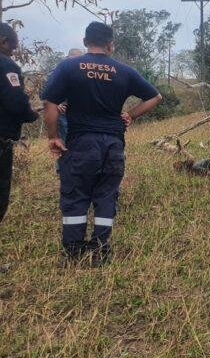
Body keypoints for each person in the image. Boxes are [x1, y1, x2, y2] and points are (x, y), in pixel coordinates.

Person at [42, 22, 162, 264]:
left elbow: (50, 104)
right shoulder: (124, 71)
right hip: (112, 144)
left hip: (79, 143)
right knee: (106, 194)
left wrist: (53, 136)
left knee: (76, 195)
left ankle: (74, 251)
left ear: (86, 42)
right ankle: (100, 250)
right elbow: (155, 96)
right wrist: (131, 114)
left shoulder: (68, 67)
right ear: (111, 44)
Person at [0, 23, 38, 224]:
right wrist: (31, 114)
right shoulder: (7, 66)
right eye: (12, 48)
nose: (13, 53)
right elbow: (16, 103)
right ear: (3, 41)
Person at [55, 48, 85, 144]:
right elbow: (45, 91)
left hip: (80, 112)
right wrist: (56, 104)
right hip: (63, 112)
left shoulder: (84, 72)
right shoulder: (58, 71)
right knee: (66, 141)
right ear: (67, 57)